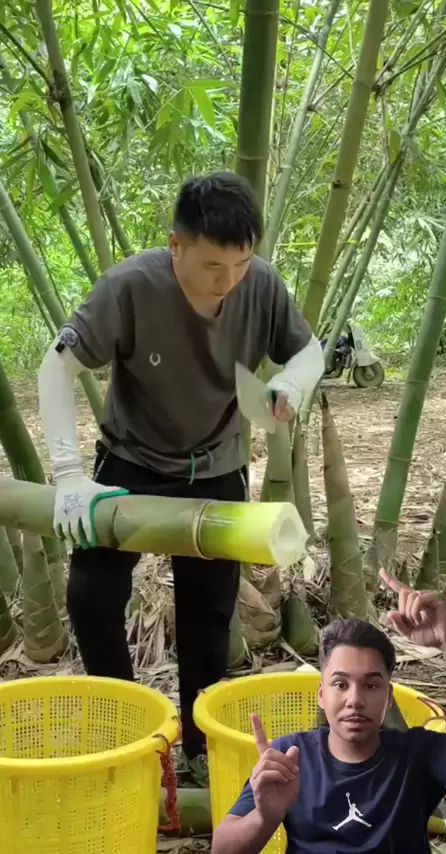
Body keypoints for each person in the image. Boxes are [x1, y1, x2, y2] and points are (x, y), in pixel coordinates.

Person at [37, 170, 325, 787]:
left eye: (241, 263)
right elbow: (56, 368)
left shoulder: (260, 284)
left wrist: (290, 383)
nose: (229, 280)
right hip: (131, 464)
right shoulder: (130, 287)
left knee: (208, 615)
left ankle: (198, 746)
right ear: (176, 246)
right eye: (213, 266)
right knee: (91, 598)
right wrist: (67, 473)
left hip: (216, 467)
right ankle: (126, 733)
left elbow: (310, 349)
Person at [212, 567, 446, 853]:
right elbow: (222, 850)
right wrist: (265, 818)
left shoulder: (419, 755)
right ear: (321, 695)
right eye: (340, 684)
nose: (355, 699)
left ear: (389, 698)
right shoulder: (290, 758)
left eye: (371, 685)